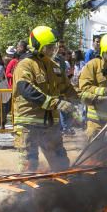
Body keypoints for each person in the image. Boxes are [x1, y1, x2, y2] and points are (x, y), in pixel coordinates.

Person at [11, 26, 81, 172]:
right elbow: (26, 89)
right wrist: (56, 103)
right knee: (29, 165)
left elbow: (67, 89)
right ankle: (25, 194)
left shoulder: (54, 66)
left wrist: (79, 103)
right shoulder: (25, 65)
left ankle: (60, 193)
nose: (52, 50)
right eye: (48, 47)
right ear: (38, 47)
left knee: (61, 163)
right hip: (28, 123)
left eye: (53, 47)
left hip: (50, 124)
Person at [77, 33, 107, 140]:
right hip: (96, 121)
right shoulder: (93, 65)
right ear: (103, 53)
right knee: (95, 150)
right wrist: (105, 91)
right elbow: (84, 88)